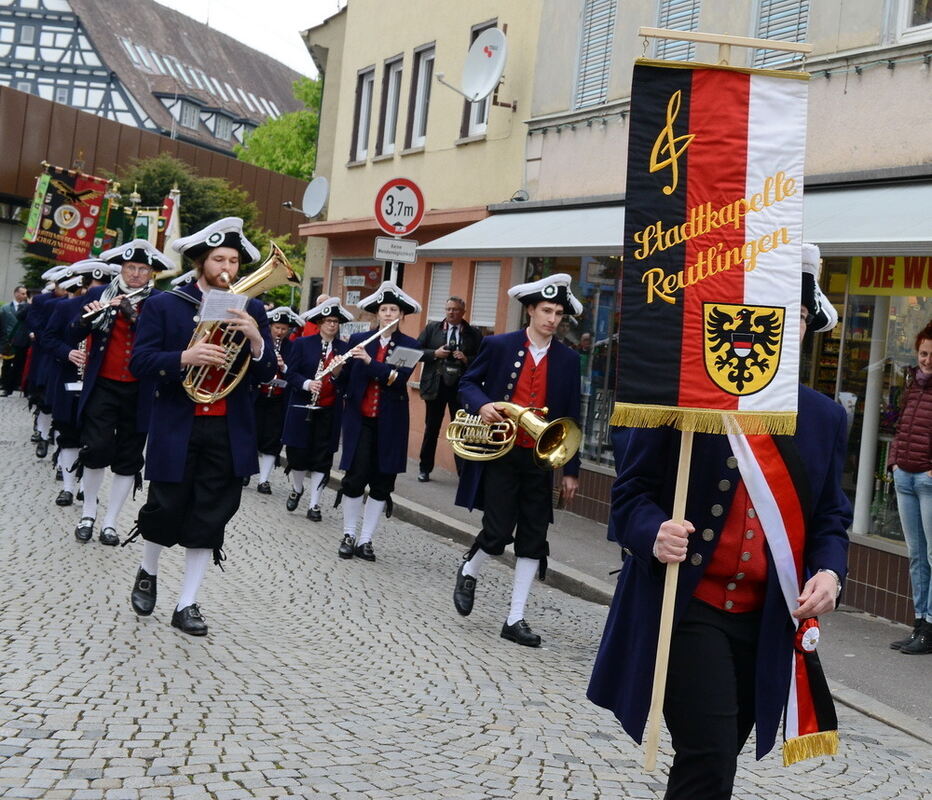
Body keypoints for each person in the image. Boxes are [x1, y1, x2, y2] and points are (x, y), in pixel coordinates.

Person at [587, 246, 851, 800]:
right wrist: (652, 531)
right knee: (708, 754)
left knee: (716, 753)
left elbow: (830, 517)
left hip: (767, 620)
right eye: (776, 315)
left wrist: (829, 572)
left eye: (798, 319)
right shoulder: (688, 399)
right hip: (691, 606)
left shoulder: (824, 417)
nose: (786, 329)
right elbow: (630, 494)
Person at [125, 217, 275, 636]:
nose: (227, 266)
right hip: (179, 423)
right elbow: (139, 362)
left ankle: (187, 602)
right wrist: (183, 360)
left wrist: (258, 341)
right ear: (201, 262)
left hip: (229, 428)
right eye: (218, 259)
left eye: (233, 260)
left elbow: (265, 376)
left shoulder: (253, 308)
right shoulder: (165, 305)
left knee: (211, 516)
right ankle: (147, 568)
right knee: (165, 507)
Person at [452, 273, 582, 647]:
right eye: (546, 310)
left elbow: (573, 414)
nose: (552, 319)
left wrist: (570, 469)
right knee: (496, 534)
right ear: (530, 310)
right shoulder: (499, 345)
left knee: (533, 539)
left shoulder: (569, 360)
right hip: (502, 454)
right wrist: (485, 404)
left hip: (540, 461)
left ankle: (515, 618)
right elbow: (467, 384)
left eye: (558, 313)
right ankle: (470, 567)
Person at [67, 240, 170, 545]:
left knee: (129, 457)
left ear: (152, 273)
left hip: (140, 389)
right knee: (95, 449)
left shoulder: (159, 302)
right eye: (131, 268)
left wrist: (133, 315)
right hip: (103, 385)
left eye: (143, 269)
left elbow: (163, 342)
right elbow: (72, 332)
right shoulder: (100, 293)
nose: (136, 274)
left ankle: (110, 522)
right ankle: (88, 513)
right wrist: (89, 316)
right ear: (122, 269)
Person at [335, 281, 421, 562]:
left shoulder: (410, 345)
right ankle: (349, 534)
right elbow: (345, 381)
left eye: (393, 309)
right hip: (360, 422)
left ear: (401, 315)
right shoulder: (360, 339)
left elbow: (398, 380)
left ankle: (366, 540)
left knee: (382, 482)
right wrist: (336, 371)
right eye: (383, 309)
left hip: (391, 423)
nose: (387, 314)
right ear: (376, 314)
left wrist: (370, 363)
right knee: (355, 479)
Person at [41, 263, 118, 505]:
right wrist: (67, 352)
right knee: (68, 433)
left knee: (95, 438)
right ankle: (67, 486)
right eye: (94, 286)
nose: (98, 291)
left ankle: (87, 486)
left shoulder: (117, 310)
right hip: (68, 378)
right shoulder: (67, 307)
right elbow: (48, 337)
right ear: (85, 286)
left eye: (103, 286)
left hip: (98, 385)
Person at [282, 298, 353, 521]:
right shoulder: (303, 344)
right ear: (320, 323)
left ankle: (314, 505)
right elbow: (290, 374)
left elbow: (347, 382)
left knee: (322, 458)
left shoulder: (344, 348)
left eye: (336, 321)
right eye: (328, 321)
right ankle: (297, 487)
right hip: (302, 407)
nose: (332, 325)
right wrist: (307, 383)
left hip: (328, 410)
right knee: (297, 455)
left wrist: (338, 372)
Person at [887, 321, 932, 655]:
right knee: (917, 556)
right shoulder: (912, 385)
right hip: (905, 477)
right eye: (923, 353)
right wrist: (895, 462)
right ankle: (918, 624)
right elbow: (901, 426)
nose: (927, 360)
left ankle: (929, 627)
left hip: (928, 481)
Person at [415, 296, 482, 482]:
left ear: (463, 312)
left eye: (455, 310)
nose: (451, 313)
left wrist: (466, 358)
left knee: (461, 430)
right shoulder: (432, 329)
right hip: (436, 385)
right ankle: (425, 468)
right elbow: (415, 351)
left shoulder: (473, 333)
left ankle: (463, 472)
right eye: (448, 309)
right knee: (432, 429)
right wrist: (435, 353)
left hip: (461, 387)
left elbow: (484, 359)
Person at [253, 306, 299, 494]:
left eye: (284, 329)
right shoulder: (261, 342)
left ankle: (264, 480)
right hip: (258, 395)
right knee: (253, 434)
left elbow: (295, 372)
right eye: (277, 328)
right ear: (269, 327)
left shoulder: (292, 347)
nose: (280, 332)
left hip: (279, 399)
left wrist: (284, 365)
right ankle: (246, 471)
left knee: (273, 439)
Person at [0, 285, 30, 396]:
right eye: (22, 293)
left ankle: (16, 384)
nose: (24, 296)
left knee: (19, 364)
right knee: (7, 364)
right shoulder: (5, 308)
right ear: (16, 293)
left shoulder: (28, 307)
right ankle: (4, 384)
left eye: (25, 294)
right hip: (7, 340)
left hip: (22, 341)